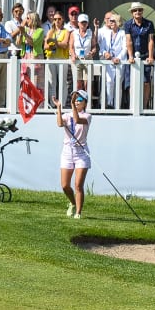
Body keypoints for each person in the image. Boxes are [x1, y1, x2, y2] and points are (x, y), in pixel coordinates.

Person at [53, 89, 91, 219]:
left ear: (85, 103)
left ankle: (78, 212)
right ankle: (72, 202)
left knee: (78, 185)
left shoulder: (87, 116)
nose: (76, 102)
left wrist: (72, 106)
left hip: (81, 153)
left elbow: (77, 119)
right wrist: (59, 108)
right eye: (75, 100)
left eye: (79, 100)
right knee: (64, 185)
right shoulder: (67, 115)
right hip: (67, 151)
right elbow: (59, 124)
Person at [123, 2, 155, 109]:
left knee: (146, 83)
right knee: (131, 83)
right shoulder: (127, 24)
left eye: (140, 10)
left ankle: (144, 107)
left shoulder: (149, 24)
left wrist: (151, 56)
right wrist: (131, 56)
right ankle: (133, 106)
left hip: (145, 55)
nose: (138, 12)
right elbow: (129, 40)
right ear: (132, 13)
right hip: (132, 57)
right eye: (135, 10)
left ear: (142, 11)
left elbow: (151, 41)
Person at [97, 12, 127, 108]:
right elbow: (102, 48)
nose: (111, 22)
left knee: (118, 82)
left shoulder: (122, 33)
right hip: (109, 61)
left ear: (118, 22)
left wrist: (118, 58)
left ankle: (117, 106)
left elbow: (125, 48)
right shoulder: (106, 33)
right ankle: (109, 104)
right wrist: (105, 53)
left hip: (119, 62)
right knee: (109, 81)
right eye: (110, 21)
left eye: (113, 21)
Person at [43, 11, 70, 104]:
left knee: (62, 82)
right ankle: (53, 103)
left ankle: (62, 103)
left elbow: (65, 45)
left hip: (62, 59)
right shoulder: (51, 31)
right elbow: (45, 46)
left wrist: (54, 42)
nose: (57, 21)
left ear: (63, 20)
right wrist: (52, 45)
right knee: (52, 82)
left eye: (59, 19)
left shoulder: (66, 31)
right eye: (55, 19)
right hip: (51, 58)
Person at [69, 13, 96, 92]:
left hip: (88, 58)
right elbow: (71, 47)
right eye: (82, 22)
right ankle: (79, 102)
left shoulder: (91, 33)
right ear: (78, 23)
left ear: (87, 23)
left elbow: (94, 46)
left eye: (85, 22)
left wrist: (93, 51)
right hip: (77, 59)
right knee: (78, 83)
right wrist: (73, 55)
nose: (83, 24)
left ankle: (88, 103)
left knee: (88, 83)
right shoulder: (73, 33)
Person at [21, 11, 45, 91]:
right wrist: (21, 28)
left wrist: (24, 33)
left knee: (35, 82)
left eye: (28, 18)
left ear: (33, 19)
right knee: (25, 79)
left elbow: (32, 42)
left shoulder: (40, 31)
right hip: (26, 56)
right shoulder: (26, 30)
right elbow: (18, 42)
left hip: (35, 57)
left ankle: (37, 102)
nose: (26, 20)